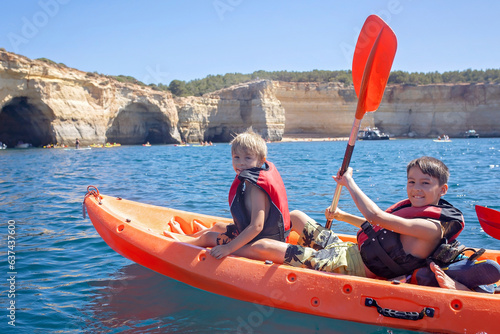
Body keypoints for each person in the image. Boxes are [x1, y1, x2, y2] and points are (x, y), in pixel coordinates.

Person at [163, 129, 291, 259]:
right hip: (254, 237)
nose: (240, 162)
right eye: (236, 157)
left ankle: (181, 243)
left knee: (208, 238)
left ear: (260, 161)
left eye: (247, 157)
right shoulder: (249, 182)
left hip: (259, 242)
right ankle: (187, 237)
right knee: (218, 226)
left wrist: (228, 248)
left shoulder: (256, 188)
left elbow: (257, 226)